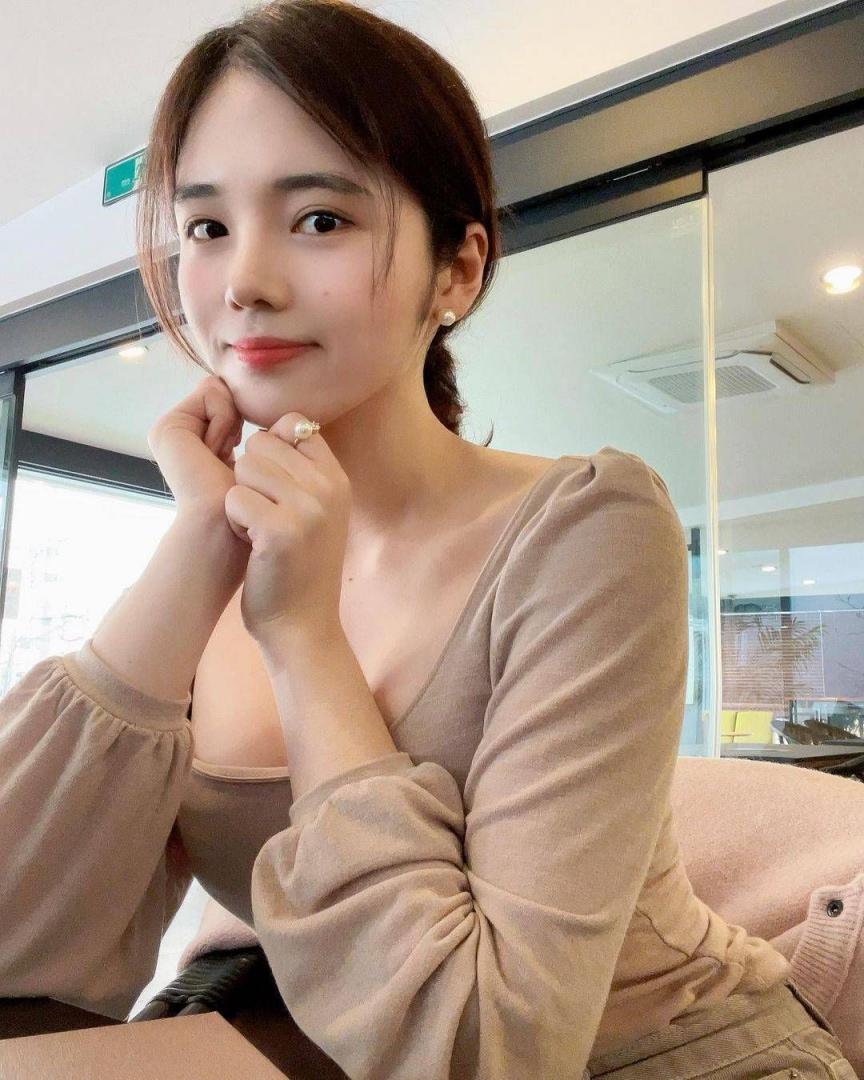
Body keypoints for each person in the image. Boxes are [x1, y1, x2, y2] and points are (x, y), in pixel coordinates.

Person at [0, 2, 858, 1077]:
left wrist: (305, 640)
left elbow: (492, 1047)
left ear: (456, 271)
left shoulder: (589, 527)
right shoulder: (216, 562)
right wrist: (200, 543)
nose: (244, 281)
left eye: (320, 219)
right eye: (207, 228)